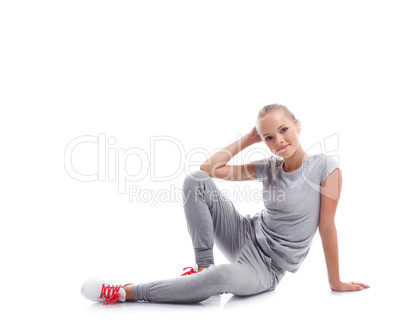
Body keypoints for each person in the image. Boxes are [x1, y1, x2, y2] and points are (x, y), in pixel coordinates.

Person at [81, 103, 369, 305]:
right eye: (269, 137)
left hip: (267, 269)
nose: (278, 140)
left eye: (284, 130)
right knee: (195, 180)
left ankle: (124, 292)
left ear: (298, 126)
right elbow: (207, 170)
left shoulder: (326, 168)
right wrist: (247, 139)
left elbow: (327, 227)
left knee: (222, 277)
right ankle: (203, 266)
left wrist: (336, 281)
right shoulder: (269, 167)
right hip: (244, 234)